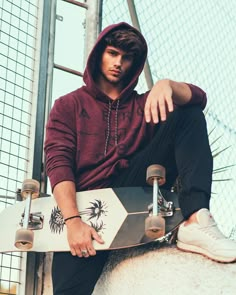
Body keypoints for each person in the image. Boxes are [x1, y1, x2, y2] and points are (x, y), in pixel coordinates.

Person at [44, 22, 236, 295]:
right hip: (90, 207)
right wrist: (73, 221)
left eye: (127, 57)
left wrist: (168, 86)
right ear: (99, 54)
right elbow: (59, 163)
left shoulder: (144, 105)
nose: (118, 63)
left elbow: (199, 98)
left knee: (187, 114)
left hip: (132, 190)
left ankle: (195, 220)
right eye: (112, 53)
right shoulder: (68, 105)